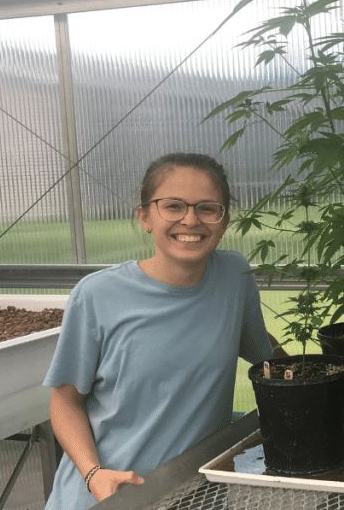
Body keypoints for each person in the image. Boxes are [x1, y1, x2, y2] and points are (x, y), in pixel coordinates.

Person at [43, 153, 284, 509]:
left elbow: (264, 354)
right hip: (112, 494)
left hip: (198, 493)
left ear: (224, 220)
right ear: (145, 217)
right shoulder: (97, 295)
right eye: (173, 206)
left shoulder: (233, 275)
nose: (190, 219)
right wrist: (94, 474)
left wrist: (326, 383)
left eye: (207, 208)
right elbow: (65, 401)